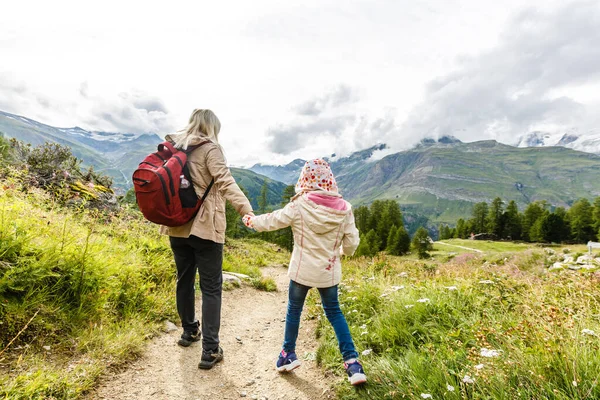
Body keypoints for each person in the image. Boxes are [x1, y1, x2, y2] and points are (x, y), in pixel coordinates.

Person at [242, 159, 367, 386]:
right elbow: (352, 242)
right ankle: (352, 363)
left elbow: (273, 220)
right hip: (328, 272)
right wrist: (341, 251)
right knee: (334, 312)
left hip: (301, 271)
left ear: (305, 178)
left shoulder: (299, 204)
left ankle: (288, 355)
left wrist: (252, 221)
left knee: (294, 310)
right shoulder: (345, 209)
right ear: (330, 180)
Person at [160, 109, 253, 370]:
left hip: (177, 226)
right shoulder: (211, 148)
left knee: (184, 280)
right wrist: (246, 210)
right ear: (212, 127)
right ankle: (210, 350)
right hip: (206, 228)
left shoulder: (175, 147)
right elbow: (225, 181)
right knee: (211, 287)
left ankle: (189, 331)